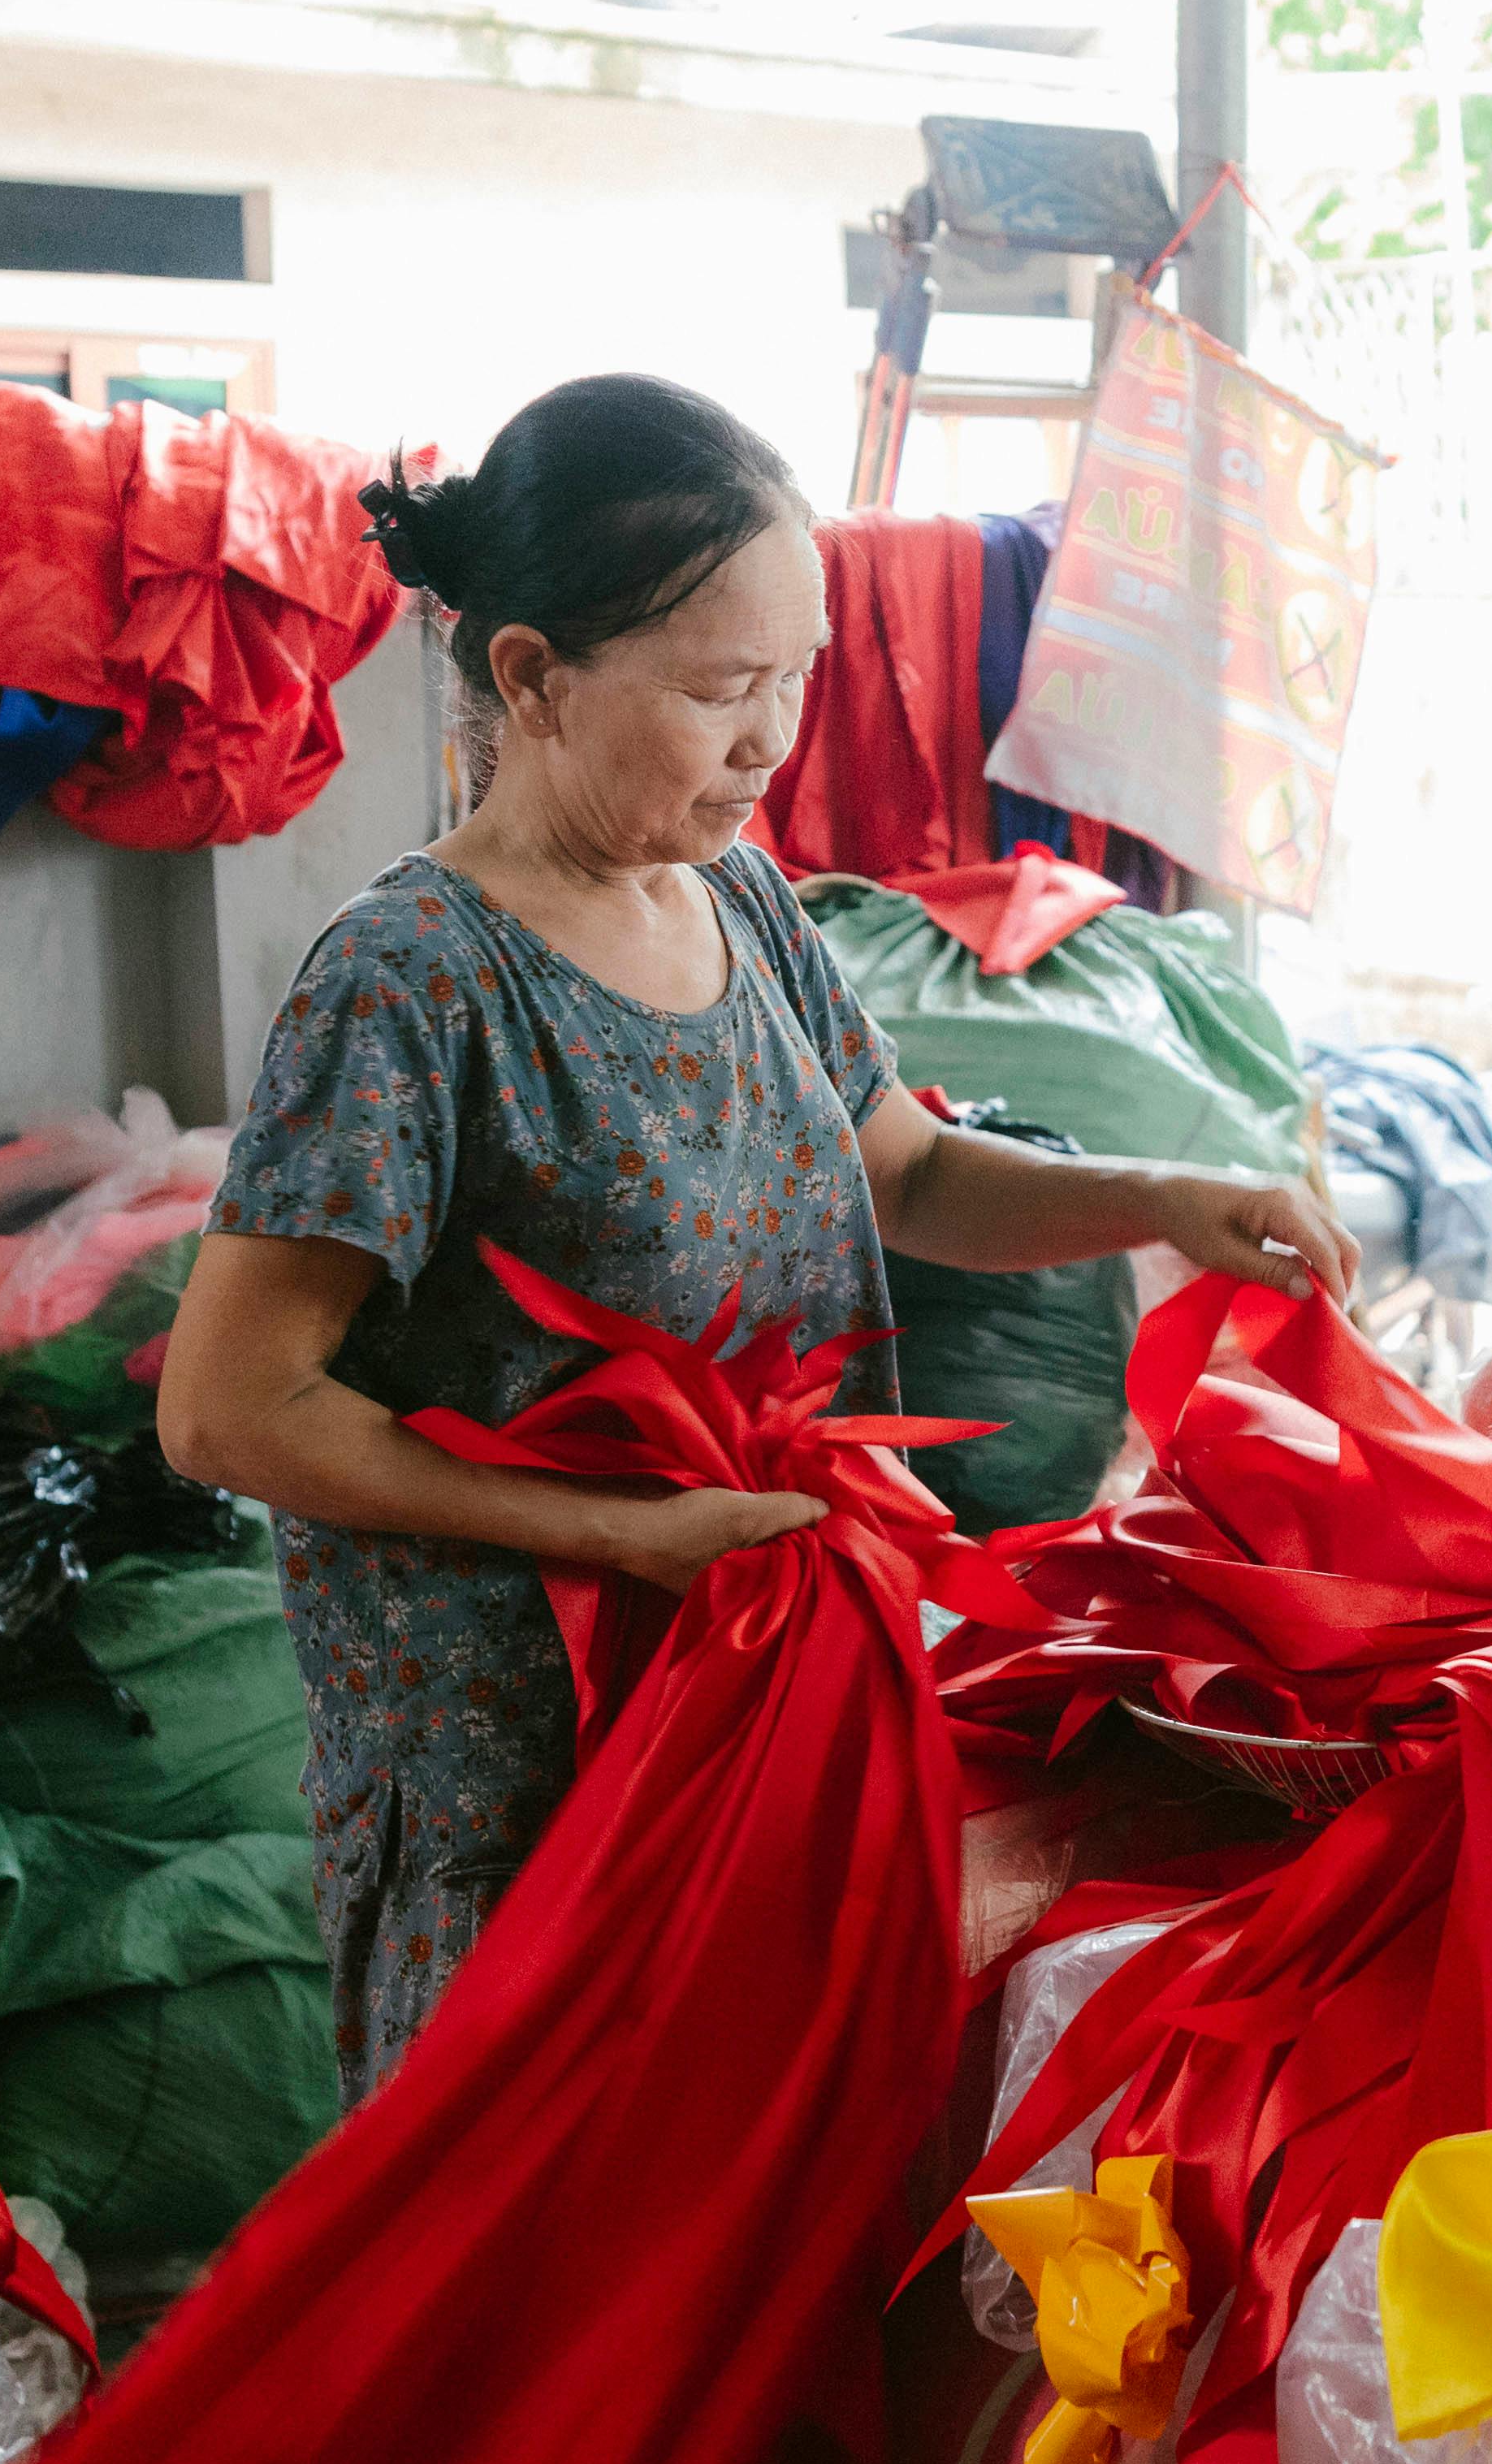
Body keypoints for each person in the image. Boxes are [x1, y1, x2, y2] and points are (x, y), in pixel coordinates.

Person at [156, 370, 1357, 2108]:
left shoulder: (739, 900)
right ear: (531, 679)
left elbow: (914, 1177)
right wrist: (618, 1532)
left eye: (797, 676)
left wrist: (1168, 1200)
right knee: (539, 2285)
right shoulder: (414, 979)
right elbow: (228, 1407)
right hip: (521, 1785)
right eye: (723, 688)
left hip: (759, 1707)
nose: (772, 739)